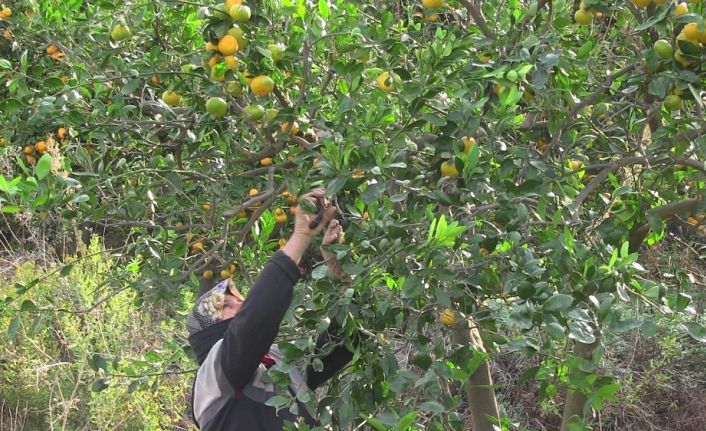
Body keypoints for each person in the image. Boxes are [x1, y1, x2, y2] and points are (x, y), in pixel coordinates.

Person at [186, 189, 354, 430]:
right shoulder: (213, 377)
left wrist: (338, 278)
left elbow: (341, 343)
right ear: (208, 332)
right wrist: (300, 236)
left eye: (239, 299)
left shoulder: (278, 359)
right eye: (228, 306)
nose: (243, 304)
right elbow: (252, 323)